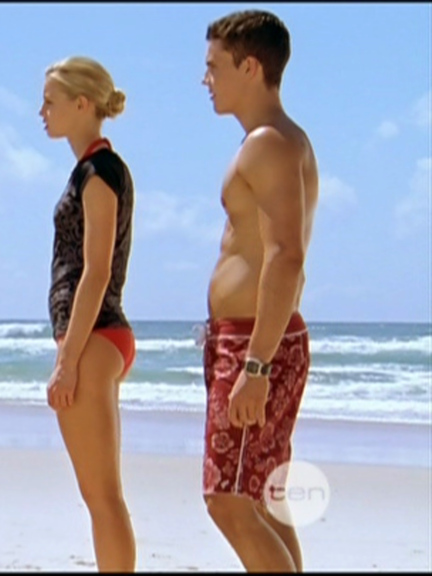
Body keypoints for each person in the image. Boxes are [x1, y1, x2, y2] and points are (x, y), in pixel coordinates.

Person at [199, 9, 319, 573]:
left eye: (214, 66)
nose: (205, 79)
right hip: (252, 340)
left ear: (249, 67)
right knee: (263, 498)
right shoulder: (277, 140)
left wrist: (256, 365)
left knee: (228, 499)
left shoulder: (269, 144)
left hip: (255, 343)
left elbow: (286, 255)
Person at [41, 56, 137, 572]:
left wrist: (67, 361)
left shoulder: (100, 171)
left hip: (95, 335)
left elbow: (96, 272)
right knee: (99, 496)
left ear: (82, 104)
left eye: (50, 102)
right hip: (94, 336)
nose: (42, 111)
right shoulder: (90, 169)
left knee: (102, 497)